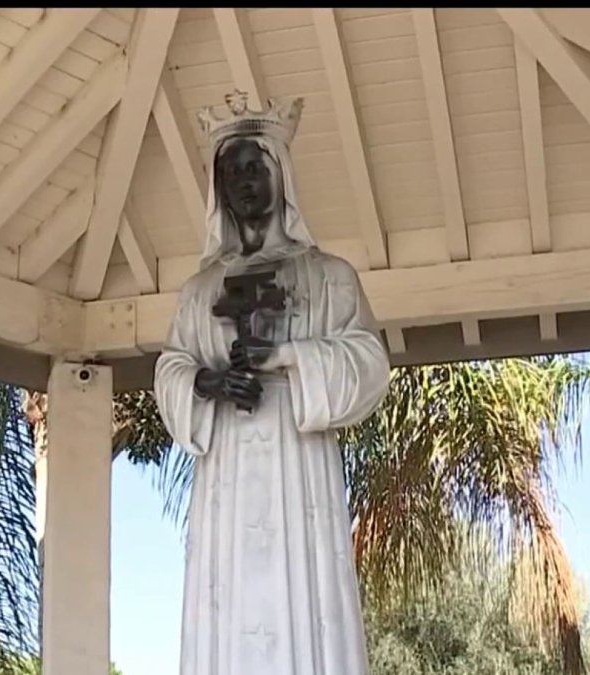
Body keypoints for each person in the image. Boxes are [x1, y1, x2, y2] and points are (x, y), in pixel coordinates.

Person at [153, 91, 391, 675]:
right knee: (227, 604)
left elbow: (369, 363)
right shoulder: (198, 291)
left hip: (298, 464)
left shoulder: (330, 277)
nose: (242, 182)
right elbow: (171, 368)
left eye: (253, 166)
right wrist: (209, 383)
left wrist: (287, 355)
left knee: (304, 603)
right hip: (226, 473)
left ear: (280, 173)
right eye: (229, 171)